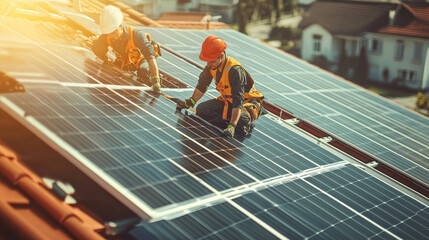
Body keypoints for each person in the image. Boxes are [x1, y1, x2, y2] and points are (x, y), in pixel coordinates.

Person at [177, 35, 264, 138]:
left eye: (212, 61)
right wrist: (190, 102)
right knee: (201, 110)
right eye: (207, 61)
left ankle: (236, 124)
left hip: (246, 103)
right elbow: (202, 85)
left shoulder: (235, 70)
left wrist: (232, 126)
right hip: (228, 102)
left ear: (221, 57)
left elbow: (238, 100)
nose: (209, 64)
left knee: (240, 122)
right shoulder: (211, 66)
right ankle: (229, 122)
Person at [91, 5, 162, 93]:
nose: (111, 36)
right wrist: (106, 61)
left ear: (120, 26)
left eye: (113, 32)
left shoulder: (137, 35)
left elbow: (151, 58)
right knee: (109, 72)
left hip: (141, 61)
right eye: (108, 33)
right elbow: (97, 48)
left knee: (144, 71)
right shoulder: (107, 35)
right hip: (124, 61)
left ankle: (151, 77)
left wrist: (155, 80)